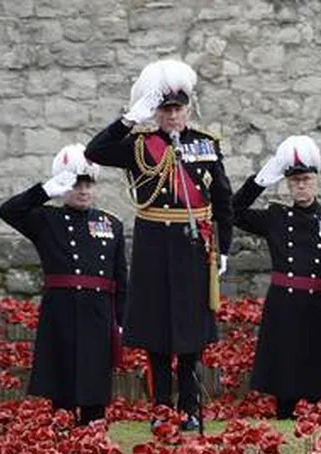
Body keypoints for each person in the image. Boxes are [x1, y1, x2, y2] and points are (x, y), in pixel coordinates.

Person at [85, 59, 232, 431]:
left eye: (178, 109)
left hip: (194, 248)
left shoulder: (205, 144)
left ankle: (190, 407)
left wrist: (225, 249)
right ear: (157, 112)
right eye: (166, 110)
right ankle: (161, 408)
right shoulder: (139, 144)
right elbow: (96, 151)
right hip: (154, 248)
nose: (173, 116)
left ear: (187, 110)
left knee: (191, 334)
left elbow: (223, 200)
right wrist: (129, 119)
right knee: (157, 334)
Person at [0, 144, 127, 425]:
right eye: (76, 184)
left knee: (95, 379)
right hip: (62, 310)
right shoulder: (46, 219)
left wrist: (121, 319)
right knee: (63, 377)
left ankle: (93, 432)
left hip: (98, 311)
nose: (83, 191)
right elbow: (8, 211)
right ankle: (63, 430)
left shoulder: (111, 223)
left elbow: (120, 278)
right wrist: (45, 191)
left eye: (88, 184)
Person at [232, 135, 321, 419]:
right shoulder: (276, 217)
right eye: (295, 181)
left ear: (316, 181)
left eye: (306, 179)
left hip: (319, 305)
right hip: (284, 304)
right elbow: (233, 212)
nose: (301, 186)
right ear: (287, 184)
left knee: (317, 368)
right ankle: (284, 413)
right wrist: (259, 181)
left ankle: (316, 416)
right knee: (284, 365)